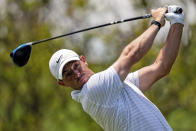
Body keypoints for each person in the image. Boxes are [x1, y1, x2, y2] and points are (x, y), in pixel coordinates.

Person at [49, 5, 184, 131]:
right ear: (62, 83)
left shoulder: (115, 88)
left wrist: (177, 21)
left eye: (76, 66)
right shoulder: (93, 89)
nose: (76, 74)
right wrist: (156, 23)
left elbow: (161, 67)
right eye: (68, 74)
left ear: (83, 60)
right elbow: (132, 54)